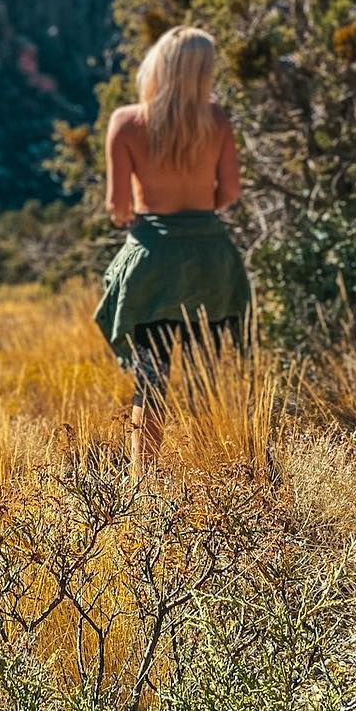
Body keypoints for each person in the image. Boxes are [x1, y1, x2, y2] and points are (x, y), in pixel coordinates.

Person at [94, 25, 251, 481]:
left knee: (151, 383)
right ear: (204, 71)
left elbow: (118, 208)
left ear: (158, 65)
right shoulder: (218, 120)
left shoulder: (127, 121)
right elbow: (230, 192)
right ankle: (215, 482)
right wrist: (198, 209)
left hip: (154, 263)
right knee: (206, 380)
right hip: (210, 259)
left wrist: (146, 213)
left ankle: (144, 483)